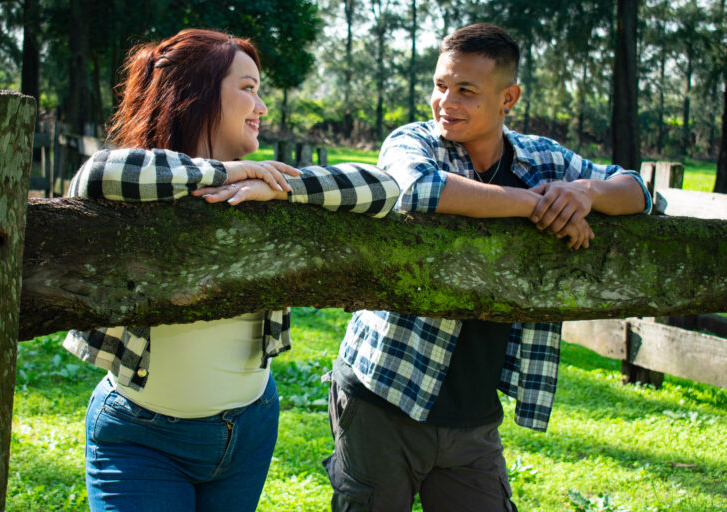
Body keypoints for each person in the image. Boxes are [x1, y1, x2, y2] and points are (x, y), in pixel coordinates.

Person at [62, 29, 399, 512]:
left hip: (249, 431)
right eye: (247, 88)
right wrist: (220, 173)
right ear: (195, 94)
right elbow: (94, 175)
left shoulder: (266, 189)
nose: (261, 106)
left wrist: (284, 188)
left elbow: (384, 187)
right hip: (142, 438)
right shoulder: (142, 178)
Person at [323, 23, 653, 511]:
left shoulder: (544, 157)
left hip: (473, 417)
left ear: (509, 97)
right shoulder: (415, 142)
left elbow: (642, 193)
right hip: (383, 396)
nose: (445, 102)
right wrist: (536, 205)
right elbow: (418, 189)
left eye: (465, 91)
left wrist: (584, 193)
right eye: (439, 86)